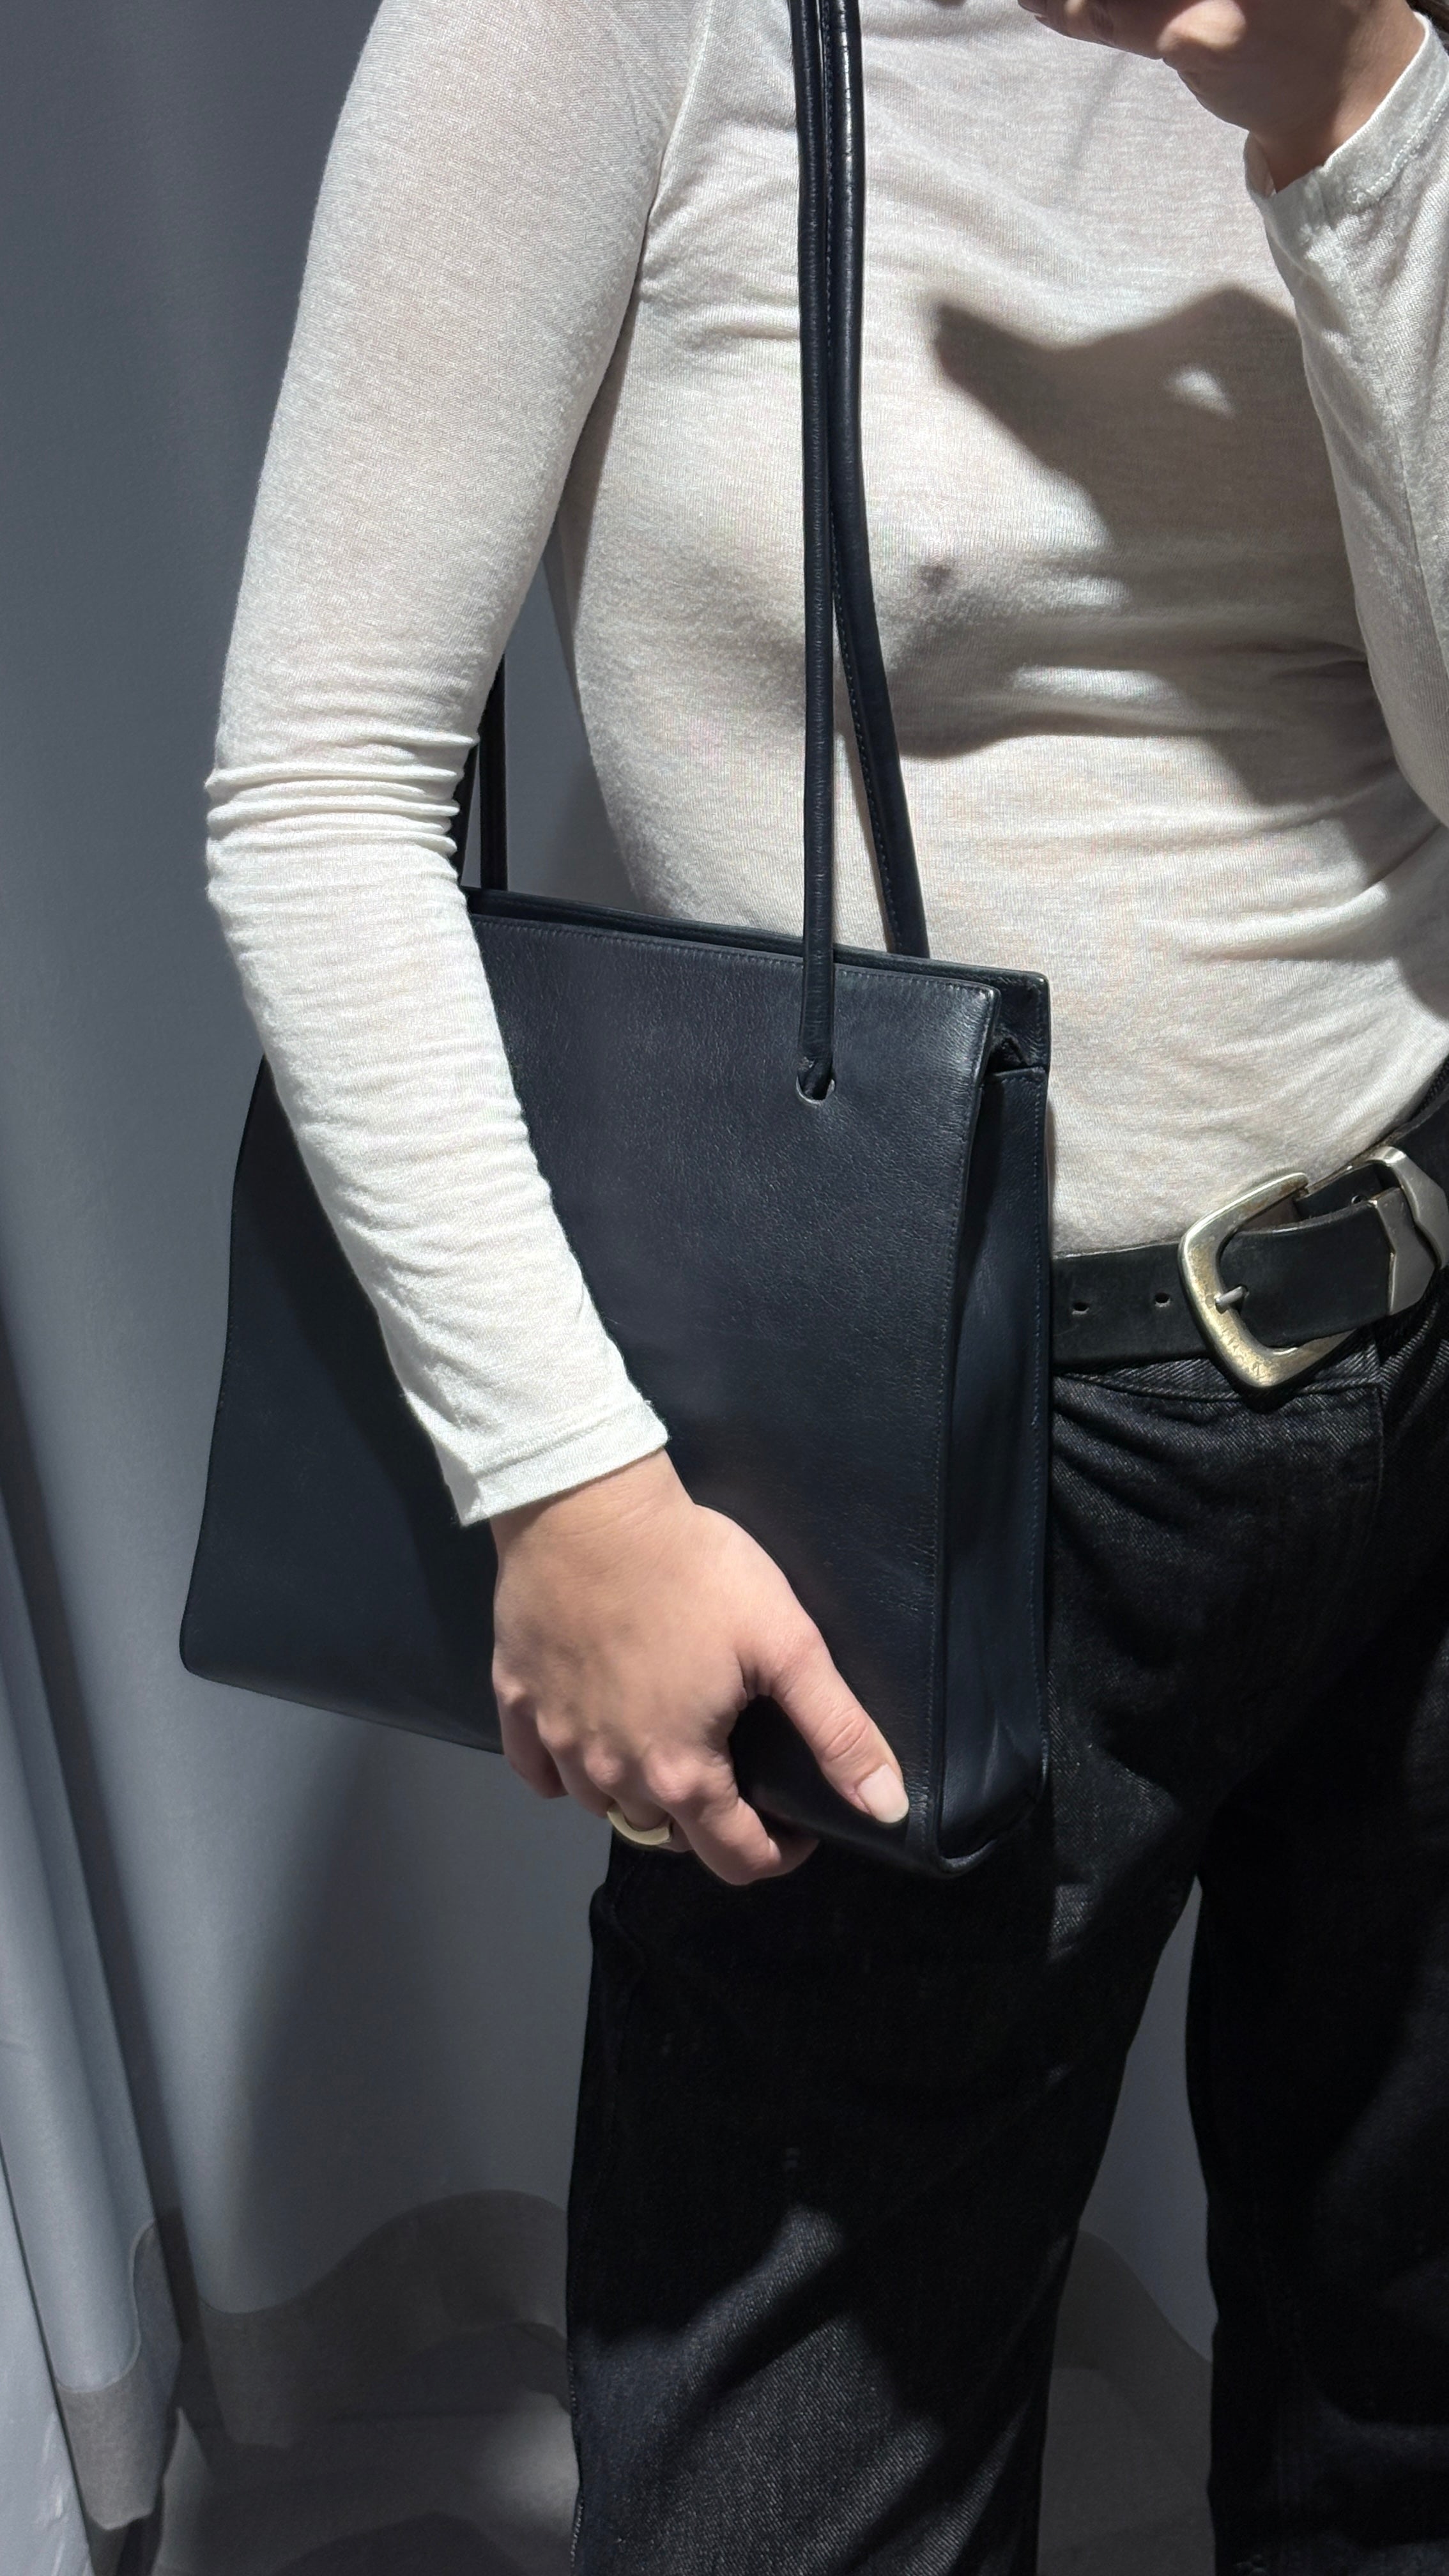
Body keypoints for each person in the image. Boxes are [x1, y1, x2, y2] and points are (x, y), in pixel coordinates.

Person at [205, 0, 1449, 2563]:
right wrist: (565, 1479)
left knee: (1406, 2403)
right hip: (923, 1459)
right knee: (797, 2496)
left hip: (1433, 1344)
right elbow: (320, 792)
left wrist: (1351, 113)